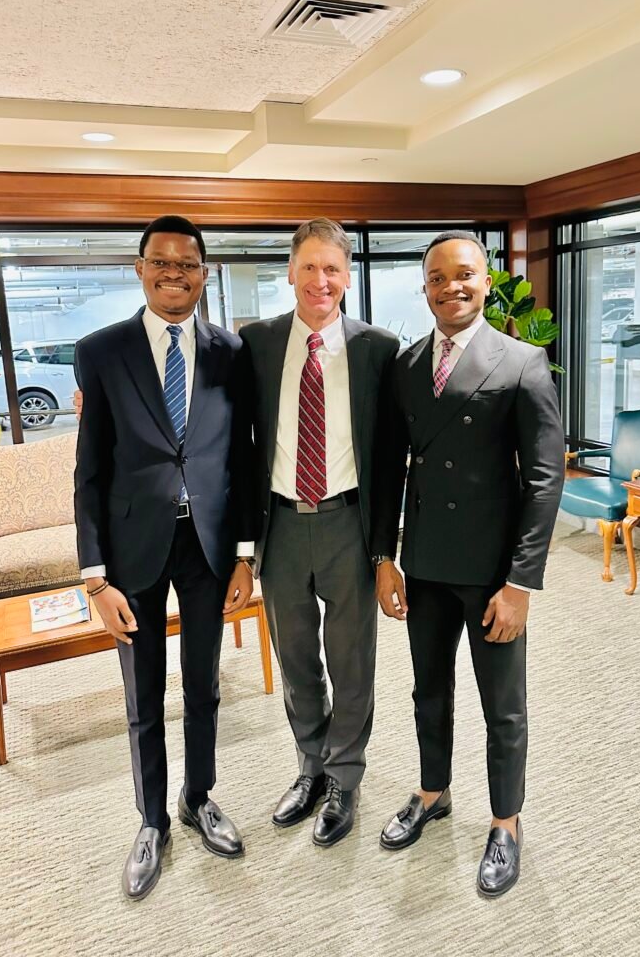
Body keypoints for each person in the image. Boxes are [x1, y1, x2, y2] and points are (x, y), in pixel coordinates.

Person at [372, 230, 564, 897]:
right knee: (429, 690)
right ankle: (432, 793)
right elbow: (386, 469)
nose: (451, 287)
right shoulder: (405, 364)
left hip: (491, 574)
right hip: (422, 564)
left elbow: (544, 482)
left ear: (487, 282)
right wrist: (384, 557)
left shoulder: (521, 362)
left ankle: (505, 823)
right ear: (423, 288)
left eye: (464, 276)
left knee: (502, 707)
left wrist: (520, 583)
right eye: (437, 278)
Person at [74, 214, 257, 901]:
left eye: (187, 263)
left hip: (207, 545)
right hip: (131, 549)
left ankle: (198, 796)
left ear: (204, 274)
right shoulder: (100, 351)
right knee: (142, 694)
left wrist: (244, 554)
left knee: (204, 685)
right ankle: (151, 821)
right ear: (140, 267)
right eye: (161, 261)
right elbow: (88, 470)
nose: (173, 272)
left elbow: (239, 457)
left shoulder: (232, 353)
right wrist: (94, 577)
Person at [239, 218, 398, 847]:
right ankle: (309, 765)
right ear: (290, 273)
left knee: (351, 660)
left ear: (347, 276)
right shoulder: (255, 343)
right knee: (296, 657)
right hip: (279, 524)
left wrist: (386, 549)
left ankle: (344, 778)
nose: (321, 280)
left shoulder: (378, 349)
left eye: (332, 268)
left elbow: (389, 459)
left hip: (347, 524)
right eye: (309, 267)